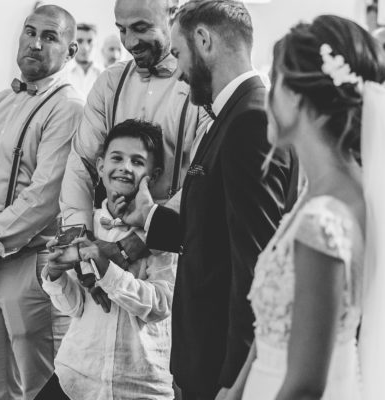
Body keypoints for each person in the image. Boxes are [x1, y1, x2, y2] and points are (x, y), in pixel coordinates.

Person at [232, 15, 385, 400]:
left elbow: (304, 386)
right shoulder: (326, 191)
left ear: (298, 99)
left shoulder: (325, 219)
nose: (267, 98)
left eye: (275, 82)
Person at [122, 1, 299, 399]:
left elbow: (253, 262)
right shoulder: (232, 114)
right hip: (200, 351)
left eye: (179, 54)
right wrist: (149, 216)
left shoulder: (249, 122)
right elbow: (212, 226)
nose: (180, 75)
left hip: (218, 362)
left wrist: (234, 380)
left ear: (204, 40)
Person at [0, 5, 83, 399]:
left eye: (50, 37)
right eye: (29, 32)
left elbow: (44, 196)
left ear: (70, 52)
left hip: (24, 264)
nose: (35, 43)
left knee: (37, 386)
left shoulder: (69, 108)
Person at [59, 0, 210, 313]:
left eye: (141, 28)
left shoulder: (203, 85)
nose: (129, 42)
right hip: (103, 244)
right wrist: (81, 248)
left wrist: (132, 246)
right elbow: (82, 164)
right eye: (122, 29)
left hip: (173, 252)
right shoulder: (110, 82)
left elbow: (203, 176)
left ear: (173, 14)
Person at [40, 119, 176, 400]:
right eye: (117, 158)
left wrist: (106, 268)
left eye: (137, 161)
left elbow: (160, 306)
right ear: (101, 166)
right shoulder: (84, 223)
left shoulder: (162, 233)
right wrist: (55, 275)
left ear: (155, 173)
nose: (125, 167)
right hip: (75, 375)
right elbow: (75, 307)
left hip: (139, 383)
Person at [66, 23, 103, 100]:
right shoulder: (62, 74)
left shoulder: (105, 74)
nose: (85, 47)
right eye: (80, 41)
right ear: (72, 44)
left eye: (90, 41)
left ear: (96, 44)